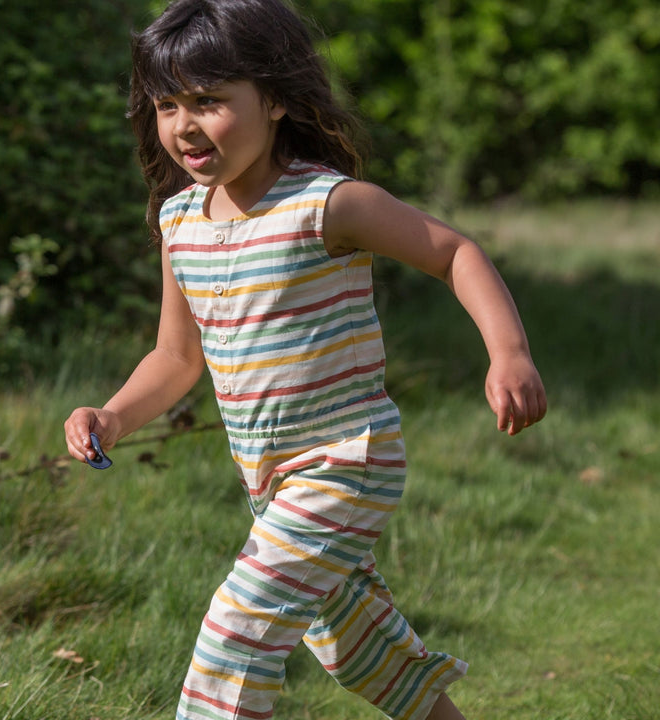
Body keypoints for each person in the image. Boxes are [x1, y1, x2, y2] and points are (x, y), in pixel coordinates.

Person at [64, 1, 547, 718]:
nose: (184, 125)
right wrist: (112, 414)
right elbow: (174, 356)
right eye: (167, 104)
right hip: (268, 484)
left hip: (347, 463)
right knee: (358, 649)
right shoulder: (179, 222)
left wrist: (508, 354)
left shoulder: (327, 203)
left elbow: (454, 253)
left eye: (209, 101)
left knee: (236, 634)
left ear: (277, 100)